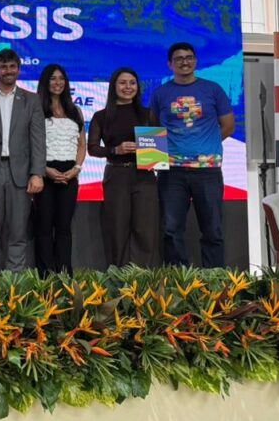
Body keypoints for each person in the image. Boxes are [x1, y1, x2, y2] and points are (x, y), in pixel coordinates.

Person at [150, 42, 235, 268]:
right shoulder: (160, 93)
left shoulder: (213, 90)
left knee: (213, 229)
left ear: (195, 61)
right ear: (170, 64)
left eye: (188, 57)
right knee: (171, 229)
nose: (184, 62)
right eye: (178, 59)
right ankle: (179, 278)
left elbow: (228, 126)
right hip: (171, 172)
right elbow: (154, 128)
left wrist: (206, 145)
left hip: (207, 171)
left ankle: (214, 278)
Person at [0, 49, 46, 274]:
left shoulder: (32, 100)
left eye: (12, 66)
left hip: (21, 174)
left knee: (18, 232)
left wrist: (37, 173)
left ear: (19, 69)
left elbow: (38, 139)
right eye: (3, 67)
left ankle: (15, 283)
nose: (8, 71)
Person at [88, 67, 161, 268]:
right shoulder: (101, 116)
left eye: (132, 83)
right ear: (113, 86)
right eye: (122, 83)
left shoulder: (147, 114)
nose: (128, 87)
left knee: (145, 229)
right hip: (116, 174)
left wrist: (149, 151)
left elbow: (157, 152)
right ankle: (118, 275)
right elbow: (92, 149)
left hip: (145, 176)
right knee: (117, 227)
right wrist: (115, 150)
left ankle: (142, 275)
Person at [35, 64, 86, 275]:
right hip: (44, 172)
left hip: (70, 174)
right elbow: (31, 144)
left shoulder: (75, 111)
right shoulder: (37, 109)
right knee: (44, 227)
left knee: (64, 227)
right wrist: (44, 169)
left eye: (61, 78)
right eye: (53, 78)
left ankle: (65, 274)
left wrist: (76, 168)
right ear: (45, 82)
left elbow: (81, 145)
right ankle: (46, 275)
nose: (58, 83)